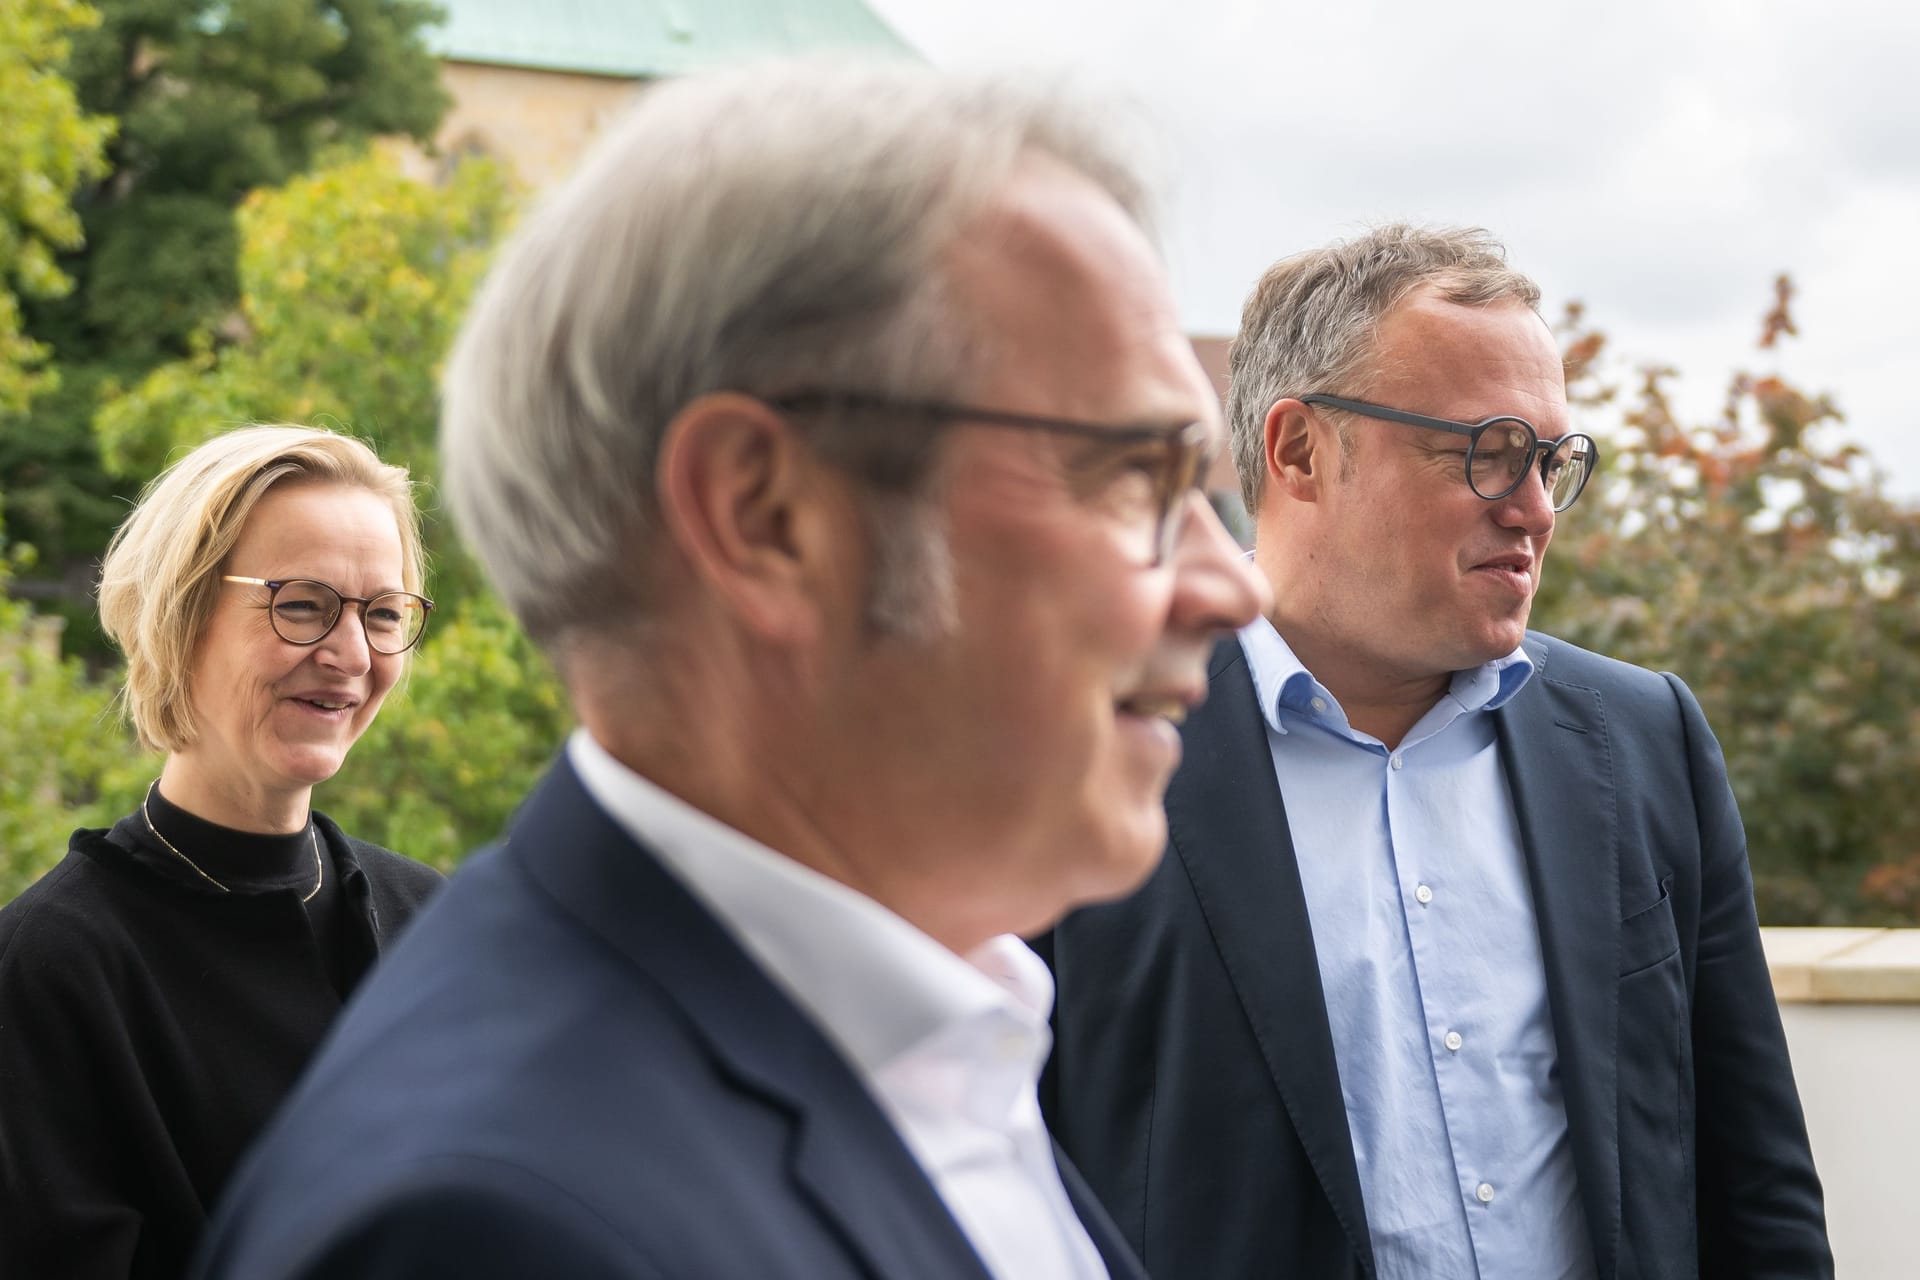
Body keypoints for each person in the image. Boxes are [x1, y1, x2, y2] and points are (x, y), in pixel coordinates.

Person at [189, 58, 1268, 1280]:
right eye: (1140, 476)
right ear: (767, 516)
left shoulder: (932, 1032)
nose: (1237, 585)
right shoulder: (496, 1226)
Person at [1041, 224, 1833, 1280]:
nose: (1537, 508)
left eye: (1553, 459)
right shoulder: (1078, 745)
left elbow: (1756, 1183)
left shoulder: (1645, 740)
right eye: (1488, 450)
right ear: (1299, 451)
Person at [0, 424, 444, 1279]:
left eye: (383, 613)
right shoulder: (48, 973)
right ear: (182, 614)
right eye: (303, 604)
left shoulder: (435, 922)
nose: (350, 654)